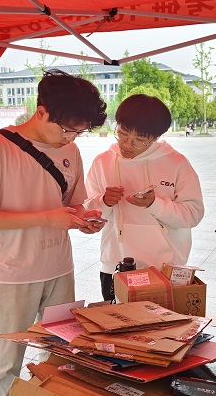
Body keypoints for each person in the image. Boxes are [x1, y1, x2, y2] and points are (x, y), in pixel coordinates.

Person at [0, 69, 107, 396]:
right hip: (10, 273)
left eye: (79, 131)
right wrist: (46, 218)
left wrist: (82, 219)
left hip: (58, 268)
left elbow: (72, 203)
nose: (71, 138)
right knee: (5, 362)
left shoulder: (71, 150)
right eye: (67, 129)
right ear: (41, 111)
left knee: (61, 354)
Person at [85, 94, 204, 301]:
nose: (127, 144)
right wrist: (104, 202)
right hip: (115, 265)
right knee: (115, 319)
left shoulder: (177, 163)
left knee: (161, 322)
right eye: (122, 133)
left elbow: (193, 215)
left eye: (139, 140)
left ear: (155, 137)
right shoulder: (102, 162)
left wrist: (155, 204)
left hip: (164, 268)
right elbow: (86, 211)